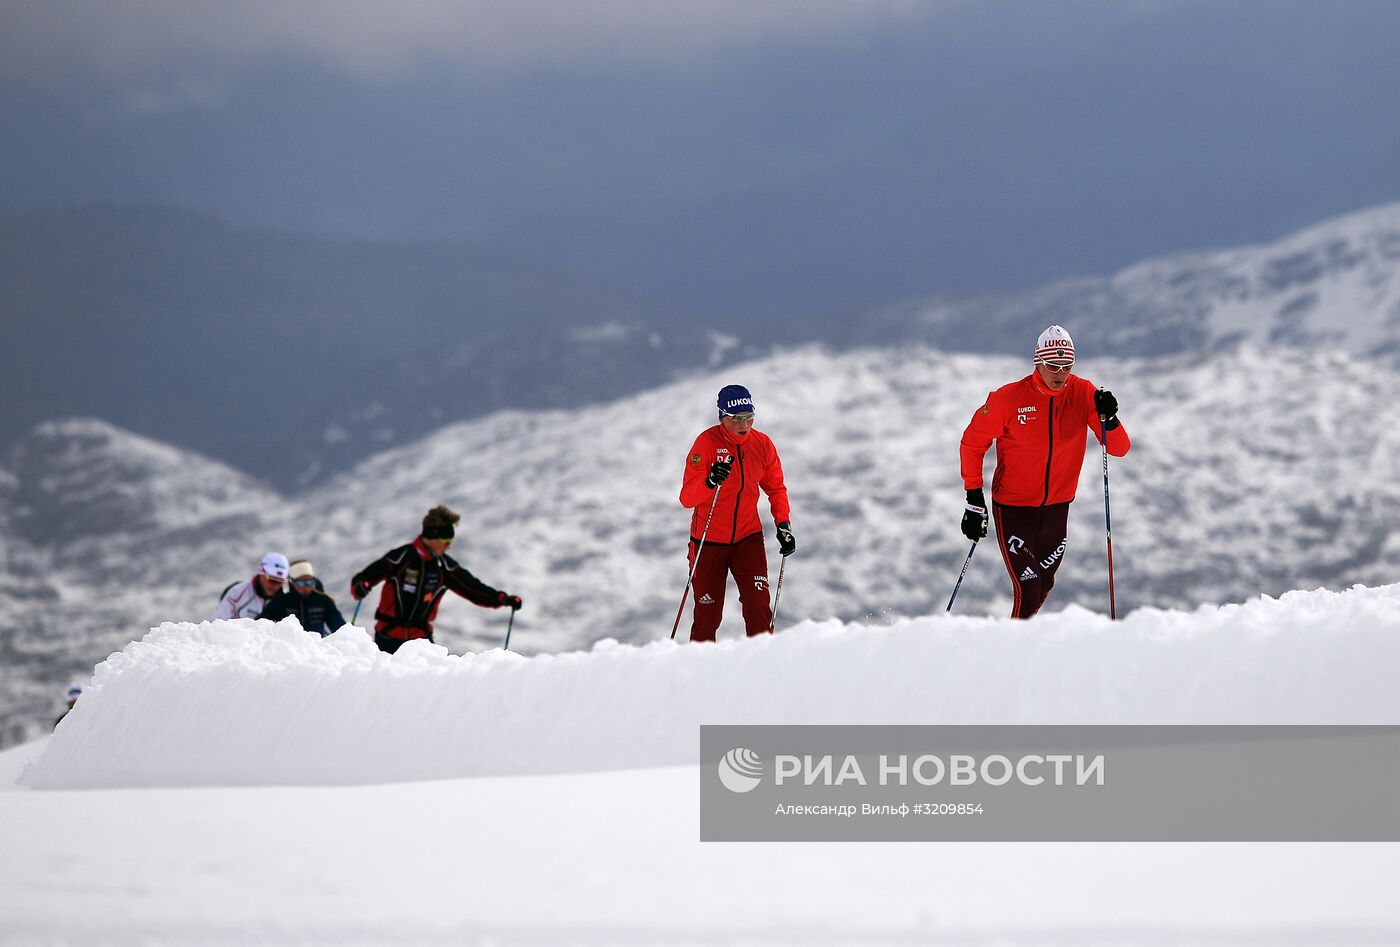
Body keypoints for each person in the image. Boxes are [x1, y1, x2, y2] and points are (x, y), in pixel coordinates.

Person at [959, 325, 1131, 619]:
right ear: (1037, 361)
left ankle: (1019, 646)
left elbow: (1119, 448)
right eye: (1053, 365)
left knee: (1043, 586)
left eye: (1067, 365)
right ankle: (1011, 654)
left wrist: (1110, 418)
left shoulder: (1083, 393)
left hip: (1056, 509)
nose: (1060, 373)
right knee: (1028, 587)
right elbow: (972, 443)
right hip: (1014, 509)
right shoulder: (1007, 399)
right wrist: (974, 499)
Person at [678, 384, 794, 642]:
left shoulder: (762, 444)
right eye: (736, 418)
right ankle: (700, 670)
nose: (744, 424)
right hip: (708, 541)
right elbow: (687, 498)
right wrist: (709, 481)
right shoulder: (705, 444)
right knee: (708, 616)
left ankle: (763, 665)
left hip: (747, 538)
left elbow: (776, 488)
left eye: (749, 416)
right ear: (722, 417)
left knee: (758, 609)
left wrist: (783, 524)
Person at [349, 505, 522, 654]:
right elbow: (365, 578)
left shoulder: (445, 567)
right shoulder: (401, 557)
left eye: (450, 541)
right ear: (431, 537)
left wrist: (503, 599)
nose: (449, 546)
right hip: (388, 636)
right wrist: (361, 586)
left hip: (421, 640)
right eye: (445, 541)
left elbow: (474, 590)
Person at [261, 560, 346, 637]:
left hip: (317, 649)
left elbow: (340, 629)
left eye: (309, 582)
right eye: (301, 583)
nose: (306, 587)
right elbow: (260, 626)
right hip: (289, 649)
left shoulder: (323, 601)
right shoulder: (280, 602)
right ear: (292, 582)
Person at [212, 552, 290, 620]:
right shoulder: (236, 594)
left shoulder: (287, 602)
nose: (275, 585)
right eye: (272, 580)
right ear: (261, 572)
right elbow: (216, 626)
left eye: (280, 581)